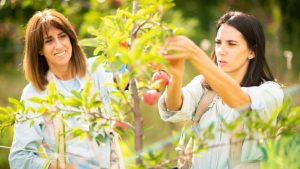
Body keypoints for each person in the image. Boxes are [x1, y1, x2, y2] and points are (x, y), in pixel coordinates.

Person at [158, 11, 284, 169]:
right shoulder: (204, 85)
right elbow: (174, 107)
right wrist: (176, 76)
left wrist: (196, 54)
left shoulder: (270, 92)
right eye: (218, 43)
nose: (221, 50)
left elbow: (240, 102)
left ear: (252, 52)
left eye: (231, 44)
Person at [9, 9, 124, 169]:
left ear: (70, 38)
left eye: (62, 36)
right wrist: (54, 166)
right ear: (39, 49)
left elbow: (126, 79)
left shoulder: (96, 69)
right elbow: (19, 158)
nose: (59, 45)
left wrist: (133, 58)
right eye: (49, 40)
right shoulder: (34, 95)